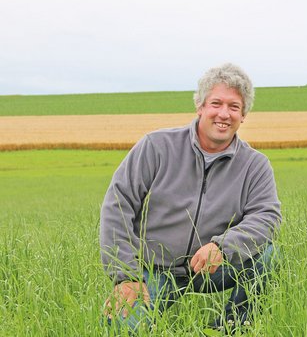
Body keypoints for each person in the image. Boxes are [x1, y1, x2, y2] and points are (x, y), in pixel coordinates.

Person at [100, 63, 281, 334]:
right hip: (155, 270)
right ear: (200, 106)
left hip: (212, 268)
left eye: (234, 107)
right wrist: (126, 276)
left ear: (243, 115)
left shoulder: (255, 165)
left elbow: (267, 217)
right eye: (216, 103)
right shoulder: (156, 147)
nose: (224, 114)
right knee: (120, 328)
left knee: (268, 256)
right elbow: (118, 204)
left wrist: (223, 246)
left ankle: (231, 328)